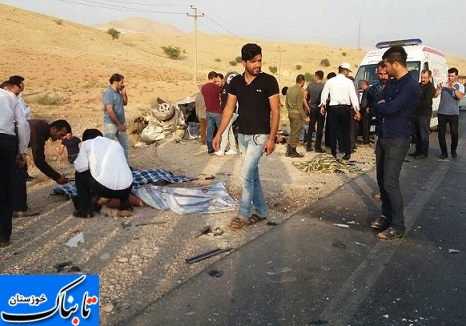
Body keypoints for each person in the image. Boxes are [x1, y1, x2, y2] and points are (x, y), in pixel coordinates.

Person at [212, 43, 279, 229]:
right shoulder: (236, 83)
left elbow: (276, 112)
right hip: (242, 136)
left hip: (260, 136)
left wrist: (272, 138)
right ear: (244, 63)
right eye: (253, 61)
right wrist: (219, 133)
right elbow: (228, 109)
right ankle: (262, 210)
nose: (258, 64)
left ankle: (243, 214)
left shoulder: (269, 81)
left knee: (246, 174)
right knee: (253, 175)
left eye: (259, 60)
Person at [370, 46, 420, 241]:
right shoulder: (391, 83)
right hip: (383, 136)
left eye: (387, 65)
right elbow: (377, 103)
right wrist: (383, 106)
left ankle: (398, 226)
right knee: (382, 180)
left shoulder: (410, 86)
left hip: (398, 139)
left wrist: (384, 107)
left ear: (396, 64)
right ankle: (386, 216)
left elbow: (389, 108)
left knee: (391, 182)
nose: (385, 69)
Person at [12, 119, 71, 217]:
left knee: (19, 171)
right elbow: (39, 161)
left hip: (10, 146)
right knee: (19, 173)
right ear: (53, 128)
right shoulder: (38, 129)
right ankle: (19, 209)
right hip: (6, 144)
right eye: (61, 134)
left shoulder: (41, 128)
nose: (60, 139)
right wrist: (57, 177)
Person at [73, 129, 133, 218]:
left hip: (105, 190)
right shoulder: (115, 143)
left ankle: (85, 210)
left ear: (85, 139)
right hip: (127, 189)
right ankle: (125, 204)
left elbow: (80, 167)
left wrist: (81, 149)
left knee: (79, 174)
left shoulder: (87, 144)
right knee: (121, 170)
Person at [0, 84, 30, 248]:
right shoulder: (11, 97)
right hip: (5, 142)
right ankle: (3, 236)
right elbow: (22, 124)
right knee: (5, 188)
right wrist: (22, 151)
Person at [320, 63, 361, 160]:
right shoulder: (349, 82)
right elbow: (353, 97)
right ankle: (347, 153)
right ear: (346, 71)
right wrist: (357, 110)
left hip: (333, 108)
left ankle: (333, 152)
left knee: (333, 131)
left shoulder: (330, 81)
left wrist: (322, 105)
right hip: (345, 109)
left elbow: (324, 94)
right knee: (346, 131)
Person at [433, 67, 465, 159]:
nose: (450, 77)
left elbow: (460, 97)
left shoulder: (460, 86)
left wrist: (453, 88)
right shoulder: (443, 84)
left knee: (454, 133)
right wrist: (438, 89)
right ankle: (444, 152)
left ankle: (453, 150)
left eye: (452, 76)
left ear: (456, 76)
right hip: (442, 113)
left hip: (453, 113)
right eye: (449, 75)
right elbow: (435, 96)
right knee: (441, 134)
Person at [408, 70, 436, 159]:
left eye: (425, 78)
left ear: (429, 78)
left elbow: (427, 102)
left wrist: (414, 102)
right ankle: (418, 150)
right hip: (416, 113)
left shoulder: (430, 88)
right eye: (422, 77)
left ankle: (424, 152)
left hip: (424, 114)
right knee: (416, 133)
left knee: (423, 134)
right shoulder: (419, 85)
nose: (423, 79)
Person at [103, 73, 129, 163]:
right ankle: (108, 166)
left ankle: (126, 165)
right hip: (111, 124)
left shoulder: (118, 93)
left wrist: (124, 93)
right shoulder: (108, 93)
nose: (123, 84)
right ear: (115, 82)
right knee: (108, 147)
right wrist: (119, 124)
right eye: (121, 82)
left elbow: (125, 103)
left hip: (120, 123)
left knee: (124, 145)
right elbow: (110, 110)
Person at [285, 74, 310, 157]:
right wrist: (305, 117)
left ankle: (288, 150)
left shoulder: (289, 89)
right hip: (297, 114)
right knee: (296, 133)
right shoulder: (300, 91)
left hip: (290, 112)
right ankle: (293, 150)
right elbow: (300, 106)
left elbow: (286, 103)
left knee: (292, 131)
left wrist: (289, 111)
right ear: (302, 82)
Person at [215, 73, 238, 156]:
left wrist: (230, 112)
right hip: (225, 113)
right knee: (229, 130)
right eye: (215, 82)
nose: (216, 83)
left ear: (222, 79)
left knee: (224, 129)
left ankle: (222, 149)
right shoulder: (222, 89)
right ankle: (233, 148)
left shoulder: (228, 88)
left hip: (231, 112)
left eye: (217, 81)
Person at [305, 70, 326, 152]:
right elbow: (327, 97)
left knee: (311, 128)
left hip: (312, 108)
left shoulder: (310, 86)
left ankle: (309, 146)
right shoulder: (324, 86)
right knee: (320, 128)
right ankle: (318, 147)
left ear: (316, 76)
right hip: (321, 108)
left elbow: (304, 96)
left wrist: (307, 106)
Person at [201, 71, 222, 154]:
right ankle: (218, 147)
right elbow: (219, 98)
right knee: (220, 130)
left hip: (208, 111)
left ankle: (210, 148)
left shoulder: (203, 88)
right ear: (214, 77)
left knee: (209, 131)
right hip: (216, 111)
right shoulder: (216, 88)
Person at [359, 79, 371, 145]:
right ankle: (365, 139)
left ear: (364, 84)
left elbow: (366, 100)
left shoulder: (367, 90)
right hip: (365, 108)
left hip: (366, 109)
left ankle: (366, 140)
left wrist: (366, 107)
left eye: (361, 85)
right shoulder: (366, 90)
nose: (360, 87)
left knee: (365, 125)